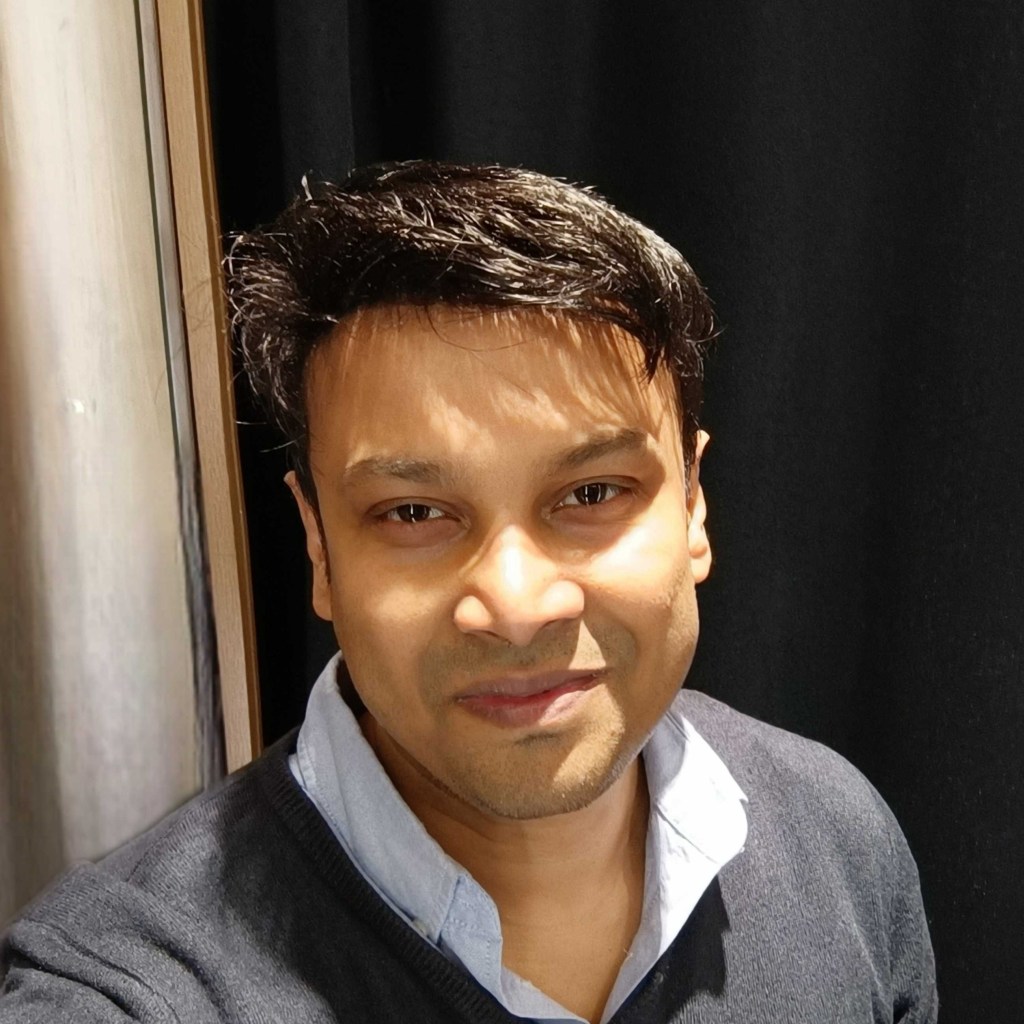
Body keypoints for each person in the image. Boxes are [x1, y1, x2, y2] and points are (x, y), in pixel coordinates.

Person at [0, 161, 937, 1023]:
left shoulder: (836, 837)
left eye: (592, 494)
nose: (518, 606)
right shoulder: (125, 985)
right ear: (319, 547)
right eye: (413, 513)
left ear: (692, 507)